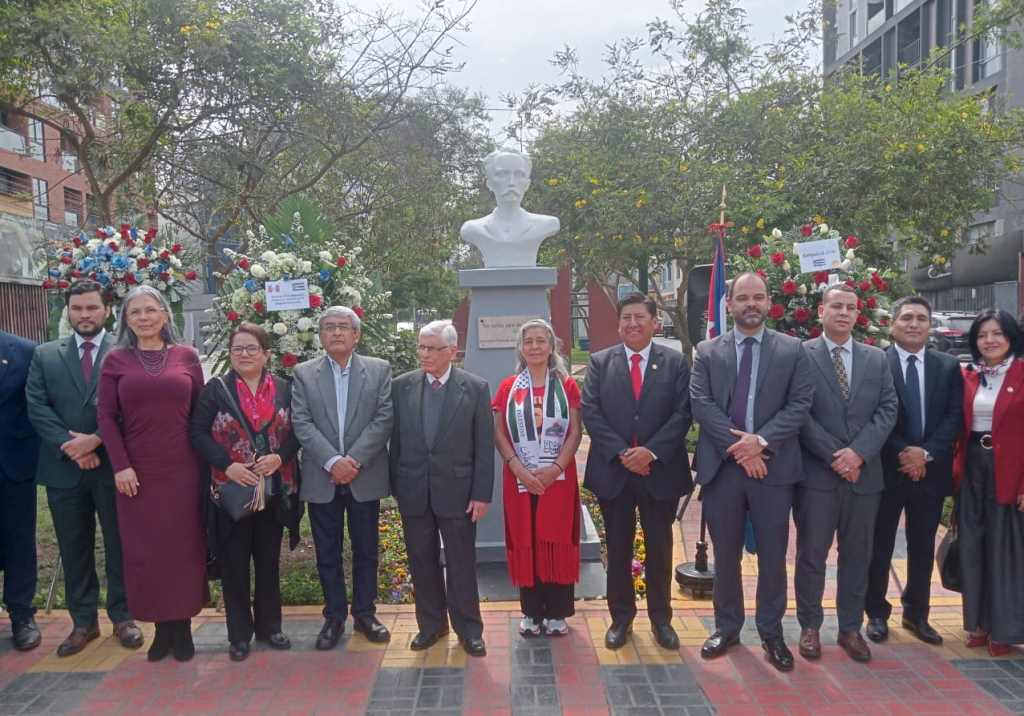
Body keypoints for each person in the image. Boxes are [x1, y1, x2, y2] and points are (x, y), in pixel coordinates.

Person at [690, 273, 814, 672]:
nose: (750, 304)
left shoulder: (793, 350)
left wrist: (759, 443)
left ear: (768, 301)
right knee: (725, 556)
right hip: (723, 470)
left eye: (758, 297)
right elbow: (702, 405)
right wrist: (743, 450)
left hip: (773, 470)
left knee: (774, 557)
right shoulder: (707, 351)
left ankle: (771, 631)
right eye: (742, 297)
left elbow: (799, 405)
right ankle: (727, 627)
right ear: (728, 304)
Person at [25, 280, 143, 656]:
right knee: (73, 546)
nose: (84, 315)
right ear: (67, 312)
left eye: (92, 308)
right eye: (77, 309)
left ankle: (124, 617)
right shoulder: (45, 355)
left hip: (114, 467)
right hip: (64, 469)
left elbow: (134, 409)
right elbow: (37, 406)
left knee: (119, 543)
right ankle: (83, 622)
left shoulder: (127, 352)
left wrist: (95, 440)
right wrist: (71, 446)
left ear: (107, 310)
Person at [96, 285, 207, 662]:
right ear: (125, 320)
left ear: (164, 314)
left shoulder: (187, 357)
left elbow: (200, 416)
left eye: (149, 310)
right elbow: (106, 418)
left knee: (184, 549)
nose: (143, 318)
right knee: (148, 551)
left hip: (184, 469)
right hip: (136, 473)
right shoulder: (115, 361)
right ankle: (161, 629)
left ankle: (183, 628)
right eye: (134, 313)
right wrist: (121, 465)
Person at [581, 292, 692, 650]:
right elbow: (591, 412)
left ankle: (662, 620)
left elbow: (683, 413)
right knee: (618, 550)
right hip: (614, 473)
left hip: (660, 473)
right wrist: (623, 454)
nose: (632, 324)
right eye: (626, 318)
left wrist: (651, 452)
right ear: (618, 324)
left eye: (639, 317)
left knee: (660, 549)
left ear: (654, 322)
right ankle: (621, 619)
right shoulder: (600, 363)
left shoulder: (675, 363)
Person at [190, 322, 304, 662]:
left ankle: (271, 627)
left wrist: (279, 456)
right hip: (231, 494)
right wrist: (228, 465)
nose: (244, 354)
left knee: (268, 563)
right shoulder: (215, 391)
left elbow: (300, 432)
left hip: (274, 490)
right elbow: (197, 434)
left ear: (267, 354)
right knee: (234, 565)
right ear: (229, 354)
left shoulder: (286, 389)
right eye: (237, 349)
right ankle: (239, 634)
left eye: (252, 348)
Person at [796, 284, 898, 663]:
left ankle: (850, 628)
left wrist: (858, 454)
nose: (842, 312)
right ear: (820, 310)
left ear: (858, 314)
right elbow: (798, 411)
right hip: (818, 477)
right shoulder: (801, 355)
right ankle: (809, 626)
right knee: (812, 555)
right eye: (835, 306)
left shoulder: (876, 358)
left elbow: (887, 409)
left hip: (864, 477)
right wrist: (834, 456)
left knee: (858, 555)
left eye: (850, 307)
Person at [390, 320, 494, 656]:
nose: (425, 354)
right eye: (421, 347)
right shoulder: (401, 386)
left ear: (452, 350)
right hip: (414, 492)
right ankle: (431, 626)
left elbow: (483, 446)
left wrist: (481, 493)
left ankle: (469, 629)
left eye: (433, 348)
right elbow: (397, 442)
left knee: (462, 562)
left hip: (459, 493)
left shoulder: (475, 388)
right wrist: (397, 488)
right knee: (422, 561)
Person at [291, 306, 393, 650]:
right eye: (329, 327)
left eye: (343, 327)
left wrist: (353, 461)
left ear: (356, 335)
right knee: (327, 551)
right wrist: (333, 461)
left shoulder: (379, 371)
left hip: (364, 475)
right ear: (320, 335)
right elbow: (301, 423)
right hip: (323, 478)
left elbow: (383, 419)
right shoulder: (304, 374)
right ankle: (334, 616)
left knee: (366, 550)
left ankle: (365, 613)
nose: (336, 332)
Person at [865, 297, 963, 646]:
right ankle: (876, 612)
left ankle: (916, 614)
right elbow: (872, 415)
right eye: (906, 317)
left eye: (921, 318)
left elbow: (954, 417)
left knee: (922, 546)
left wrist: (926, 454)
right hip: (888, 470)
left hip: (930, 472)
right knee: (880, 545)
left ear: (929, 325)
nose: (913, 324)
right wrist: (905, 453)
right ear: (892, 324)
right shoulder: (876, 363)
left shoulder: (948, 366)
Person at [493, 319, 583, 639]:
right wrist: (518, 467)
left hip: (556, 478)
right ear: (520, 348)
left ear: (551, 346)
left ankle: (557, 613)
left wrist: (556, 467)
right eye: (528, 341)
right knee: (526, 537)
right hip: (520, 478)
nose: (534, 347)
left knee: (555, 538)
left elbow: (575, 431)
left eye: (540, 341)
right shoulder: (508, 388)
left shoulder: (567, 385)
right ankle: (531, 613)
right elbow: (499, 433)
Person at [953, 309, 1024, 656]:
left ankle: (1005, 629)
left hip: (1010, 471)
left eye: (997, 333)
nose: (990, 340)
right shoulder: (968, 375)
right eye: (982, 335)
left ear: (1010, 337)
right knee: (973, 545)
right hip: (972, 469)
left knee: (1005, 549)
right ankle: (978, 623)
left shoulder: (1022, 373)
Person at [0, 329, 41, 651]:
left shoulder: (25, 351)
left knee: (19, 542)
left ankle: (22, 615)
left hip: (14, 466)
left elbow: (37, 407)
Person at [460, 148, 560, 268]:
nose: (511, 182)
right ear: (489, 184)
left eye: (519, 174)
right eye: (502, 174)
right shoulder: (473, 228)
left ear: (527, 184)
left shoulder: (547, 224)